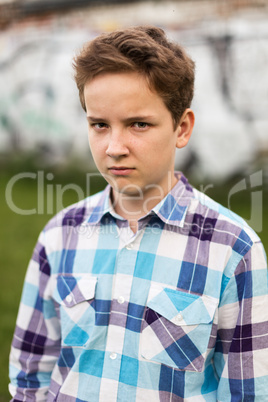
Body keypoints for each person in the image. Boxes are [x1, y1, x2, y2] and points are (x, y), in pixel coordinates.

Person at [9, 26, 268, 401]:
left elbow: (248, 392)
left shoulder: (233, 249)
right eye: (100, 125)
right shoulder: (59, 235)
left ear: (182, 128)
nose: (114, 147)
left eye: (138, 124)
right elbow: (30, 373)